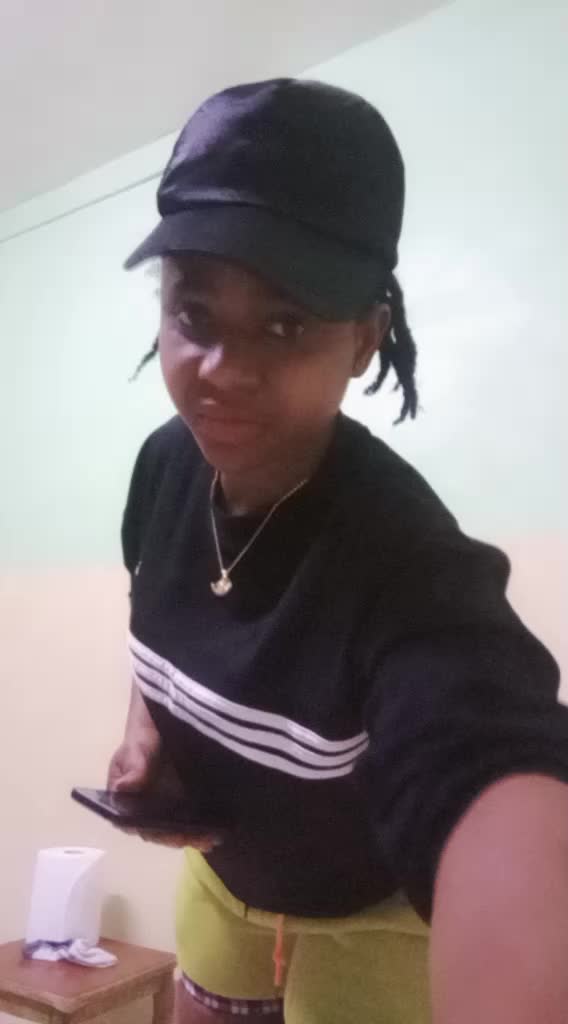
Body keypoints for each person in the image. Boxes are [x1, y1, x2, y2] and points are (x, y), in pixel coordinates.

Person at [107, 79, 568, 1023]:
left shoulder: (404, 557)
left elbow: (480, 742)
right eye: (196, 313)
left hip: (372, 919)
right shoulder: (163, 468)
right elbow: (160, 624)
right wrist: (147, 731)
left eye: (286, 323)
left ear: (365, 339)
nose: (223, 370)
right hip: (220, 876)